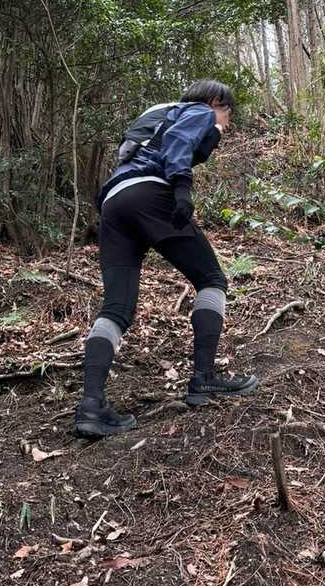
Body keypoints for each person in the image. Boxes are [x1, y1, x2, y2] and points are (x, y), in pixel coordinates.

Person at [74, 79, 259, 439]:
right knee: (211, 280)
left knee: (116, 308)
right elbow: (178, 143)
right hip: (150, 193)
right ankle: (204, 378)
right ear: (215, 101)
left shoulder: (157, 114)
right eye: (228, 112)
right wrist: (182, 189)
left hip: (113, 203)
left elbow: (137, 151)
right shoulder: (198, 110)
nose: (228, 121)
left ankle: (91, 406)